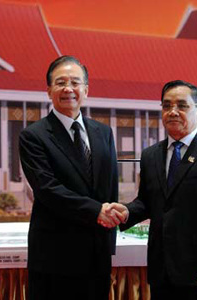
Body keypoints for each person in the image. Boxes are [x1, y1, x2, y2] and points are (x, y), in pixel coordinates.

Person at [108, 80, 197, 299]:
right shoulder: (151, 155)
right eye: (167, 106)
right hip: (162, 271)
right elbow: (147, 202)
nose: (173, 112)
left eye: (182, 106)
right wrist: (126, 212)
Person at [19, 55, 121, 299]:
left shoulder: (103, 132)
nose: (68, 89)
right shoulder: (34, 136)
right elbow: (47, 189)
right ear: (48, 91)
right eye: (60, 82)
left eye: (75, 82)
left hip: (97, 252)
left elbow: (110, 186)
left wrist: (110, 226)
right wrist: (97, 211)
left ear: (86, 89)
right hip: (55, 255)